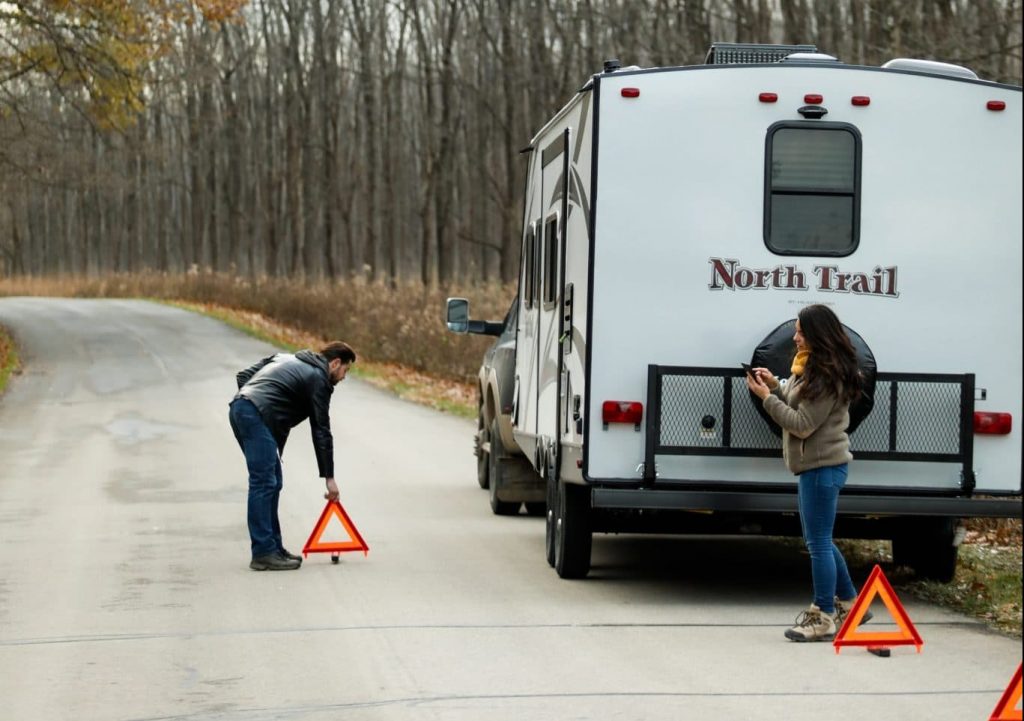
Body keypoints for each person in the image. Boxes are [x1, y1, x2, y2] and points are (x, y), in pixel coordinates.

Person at [746, 305, 867, 642]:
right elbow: (800, 402)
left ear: (817, 334)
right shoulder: (811, 367)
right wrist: (776, 384)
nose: (795, 336)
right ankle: (851, 604)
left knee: (817, 544)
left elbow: (801, 425)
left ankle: (823, 614)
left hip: (822, 466)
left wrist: (767, 398)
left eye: (800, 331)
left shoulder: (827, 376)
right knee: (822, 539)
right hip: (816, 466)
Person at [229, 341, 356, 571]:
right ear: (335, 363)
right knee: (264, 482)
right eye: (345, 371)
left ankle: (273, 547)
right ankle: (263, 552)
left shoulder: (286, 357)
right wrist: (329, 478)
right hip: (253, 415)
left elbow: (244, 376)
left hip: (245, 409)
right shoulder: (319, 379)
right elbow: (321, 430)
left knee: (273, 481)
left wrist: (253, 404)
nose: (343, 377)